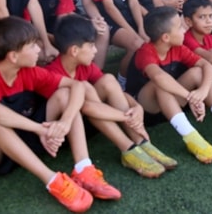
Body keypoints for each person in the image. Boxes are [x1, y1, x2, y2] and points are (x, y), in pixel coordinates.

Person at [0, 17, 121, 213]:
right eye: (32, 46)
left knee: (64, 94)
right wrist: (39, 129)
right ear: (13, 56)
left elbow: (77, 86)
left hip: (27, 140)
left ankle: (83, 169)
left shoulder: (30, 72)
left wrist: (65, 122)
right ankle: (53, 180)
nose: (39, 49)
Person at [125, 7, 212, 164]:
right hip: (146, 110)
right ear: (166, 37)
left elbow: (207, 65)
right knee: (159, 84)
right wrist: (190, 97)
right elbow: (159, 77)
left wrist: (203, 91)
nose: (184, 30)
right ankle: (190, 136)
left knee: (198, 72)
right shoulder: (145, 52)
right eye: (179, 27)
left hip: (172, 103)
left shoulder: (178, 48)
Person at [45, 15, 177, 178]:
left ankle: (141, 142)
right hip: (65, 133)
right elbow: (87, 107)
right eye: (91, 45)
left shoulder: (84, 66)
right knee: (85, 88)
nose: (96, 50)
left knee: (108, 79)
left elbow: (115, 91)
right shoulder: (52, 74)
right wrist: (126, 117)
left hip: (93, 120)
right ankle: (128, 149)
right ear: (74, 51)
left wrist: (136, 107)